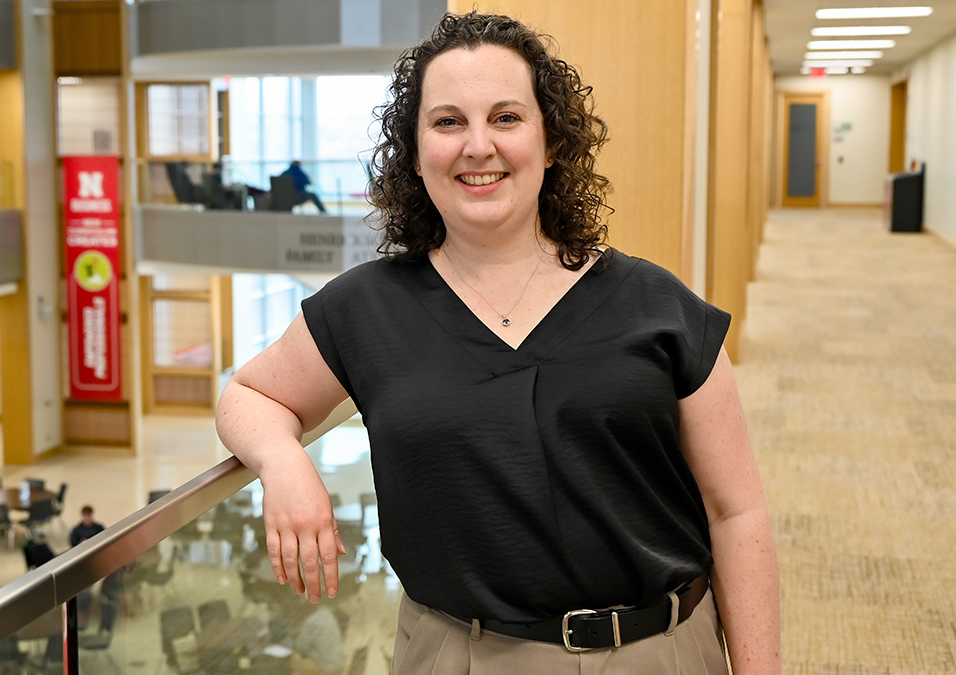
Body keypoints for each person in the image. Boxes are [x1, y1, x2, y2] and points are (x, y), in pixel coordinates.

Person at [214, 11, 779, 675]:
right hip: (458, 656)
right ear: (416, 151)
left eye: (506, 118)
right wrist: (282, 461)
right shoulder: (365, 308)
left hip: (658, 652)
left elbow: (736, 510)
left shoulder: (656, 304)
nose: (477, 146)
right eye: (448, 121)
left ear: (551, 142)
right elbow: (247, 393)